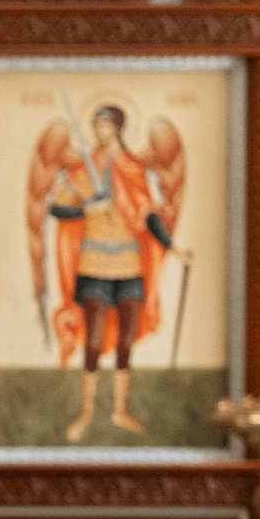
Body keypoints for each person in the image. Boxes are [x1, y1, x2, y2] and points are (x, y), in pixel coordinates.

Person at [41, 104, 179, 441]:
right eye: (96, 126)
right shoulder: (82, 170)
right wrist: (89, 208)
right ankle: (87, 411)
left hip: (129, 264)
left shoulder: (134, 169)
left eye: (105, 126)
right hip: (94, 264)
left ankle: (119, 410)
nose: (99, 132)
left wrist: (171, 246)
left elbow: (148, 213)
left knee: (127, 338)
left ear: (117, 128)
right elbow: (56, 207)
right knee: (93, 338)